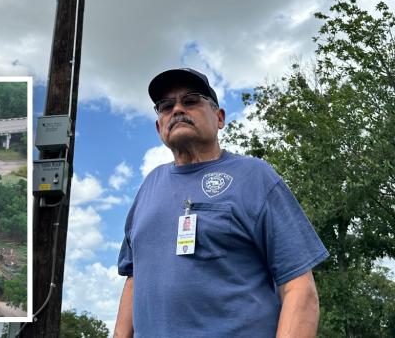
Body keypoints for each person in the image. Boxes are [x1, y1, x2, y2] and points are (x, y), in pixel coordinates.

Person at [113, 68, 328, 338]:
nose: (177, 109)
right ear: (159, 127)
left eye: (190, 100)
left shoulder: (255, 177)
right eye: (166, 106)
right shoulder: (148, 186)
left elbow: (300, 289)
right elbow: (135, 279)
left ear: (220, 117)